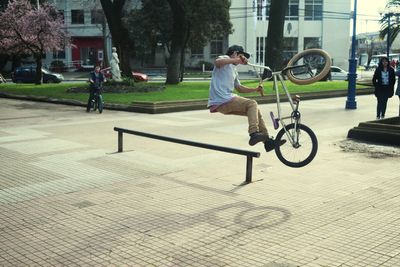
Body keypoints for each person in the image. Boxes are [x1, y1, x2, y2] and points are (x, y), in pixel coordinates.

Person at [207, 45, 285, 151]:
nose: (240, 61)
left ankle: (267, 142)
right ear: (234, 53)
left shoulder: (234, 70)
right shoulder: (224, 59)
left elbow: (239, 88)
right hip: (222, 100)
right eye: (241, 56)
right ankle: (253, 133)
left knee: (255, 110)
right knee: (252, 104)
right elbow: (217, 62)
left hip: (225, 101)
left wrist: (255, 89)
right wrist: (236, 59)